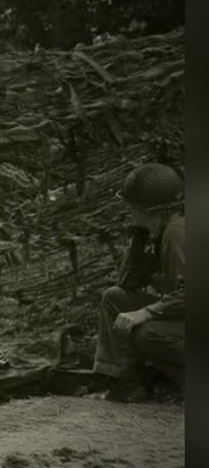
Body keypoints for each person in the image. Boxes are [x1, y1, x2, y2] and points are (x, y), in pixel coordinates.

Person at [93, 163, 185, 402]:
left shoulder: (177, 232)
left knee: (146, 333)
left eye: (131, 205)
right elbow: (126, 282)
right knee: (114, 298)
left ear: (144, 208)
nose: (128, 210)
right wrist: (139, 236)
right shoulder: (160, 231)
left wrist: (146, 312)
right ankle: (128, 386)